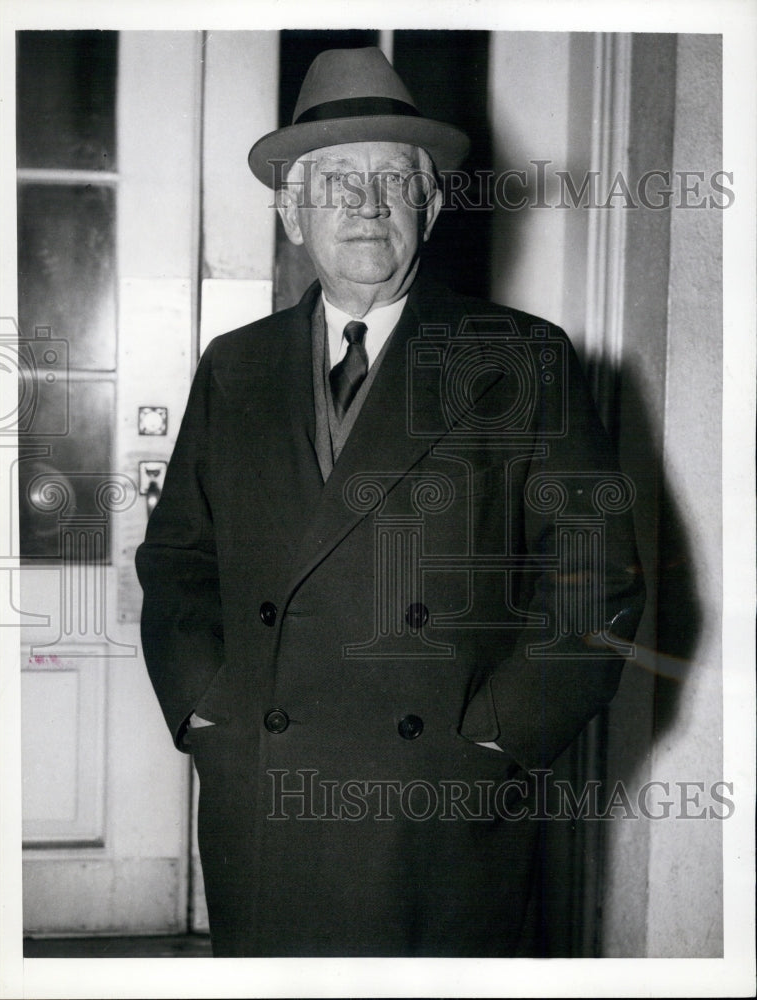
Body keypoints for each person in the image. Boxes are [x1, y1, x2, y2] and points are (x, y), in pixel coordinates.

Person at [136, 47, 645, 957]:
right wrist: (205, 705)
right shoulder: (234, 366)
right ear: (291, 213)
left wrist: (498, 744)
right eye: (331, 181)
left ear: (433, 205)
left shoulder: (522, 358)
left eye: (390, 180)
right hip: (266, 796)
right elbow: (177, 559)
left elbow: (595, 580)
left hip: (437, 810)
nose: (364, 206)